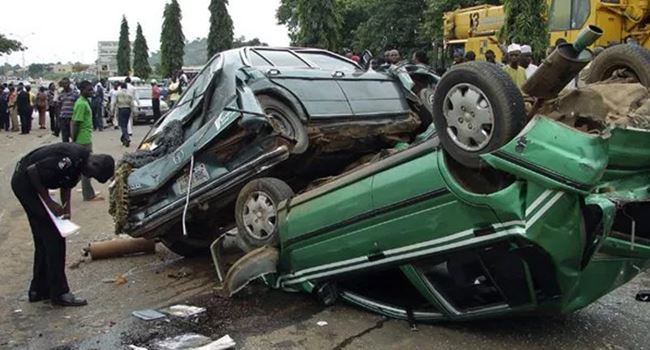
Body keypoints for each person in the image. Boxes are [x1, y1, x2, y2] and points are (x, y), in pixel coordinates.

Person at [11, 143, 114, 306]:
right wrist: (49, 201)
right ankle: (59, 293)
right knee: (54, 238)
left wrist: (66, 212)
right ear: (95, 163)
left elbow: (66, 184)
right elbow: (32, 171)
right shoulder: (70, 158)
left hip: (30, 182)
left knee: (43, 238)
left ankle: (38, 289)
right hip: (25, 183)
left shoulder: (81, 163)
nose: (89, 177)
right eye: (93, 175)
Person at [71, 80, 104, 202]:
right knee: (86, 167)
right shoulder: (81, 104)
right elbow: (75, 123)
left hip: (85, 137)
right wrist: (74, 139)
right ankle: (88, 195)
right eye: (89, 90)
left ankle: (87, 192)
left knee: (83, 167)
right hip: (82, 140)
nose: (92, 92)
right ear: (82, 90)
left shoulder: (84, 102)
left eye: (92, 89)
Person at [57, 78, 78, 142]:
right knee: (64, 137)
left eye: (66, 83)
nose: (64, 85)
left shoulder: (75, 93)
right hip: (63, 118)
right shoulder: (61, 94)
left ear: (69, 84)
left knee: (73, 136)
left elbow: (77, 106)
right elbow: (59, 106)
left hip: (72, 118)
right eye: (63, 84)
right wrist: (59, 117)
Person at [114, 82, 134, 147]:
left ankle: (127, 137)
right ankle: (124, 139)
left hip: (121, 109)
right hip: (128, 109)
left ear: (121, 87)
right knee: (125, 124)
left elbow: (114, 102)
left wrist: (112, 111)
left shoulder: (117, 93)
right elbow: (132, 103)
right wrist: (133, 111)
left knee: (122, 125)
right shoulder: (129, 93)